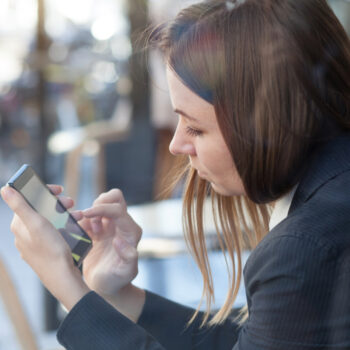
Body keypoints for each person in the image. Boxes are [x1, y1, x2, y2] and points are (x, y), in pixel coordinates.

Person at [2, 0, 350, 348]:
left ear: (271, 125)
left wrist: (67, 285)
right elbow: (251, 340)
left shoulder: (302, 250)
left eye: (196, 128)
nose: (176, 145)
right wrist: (118, 294)